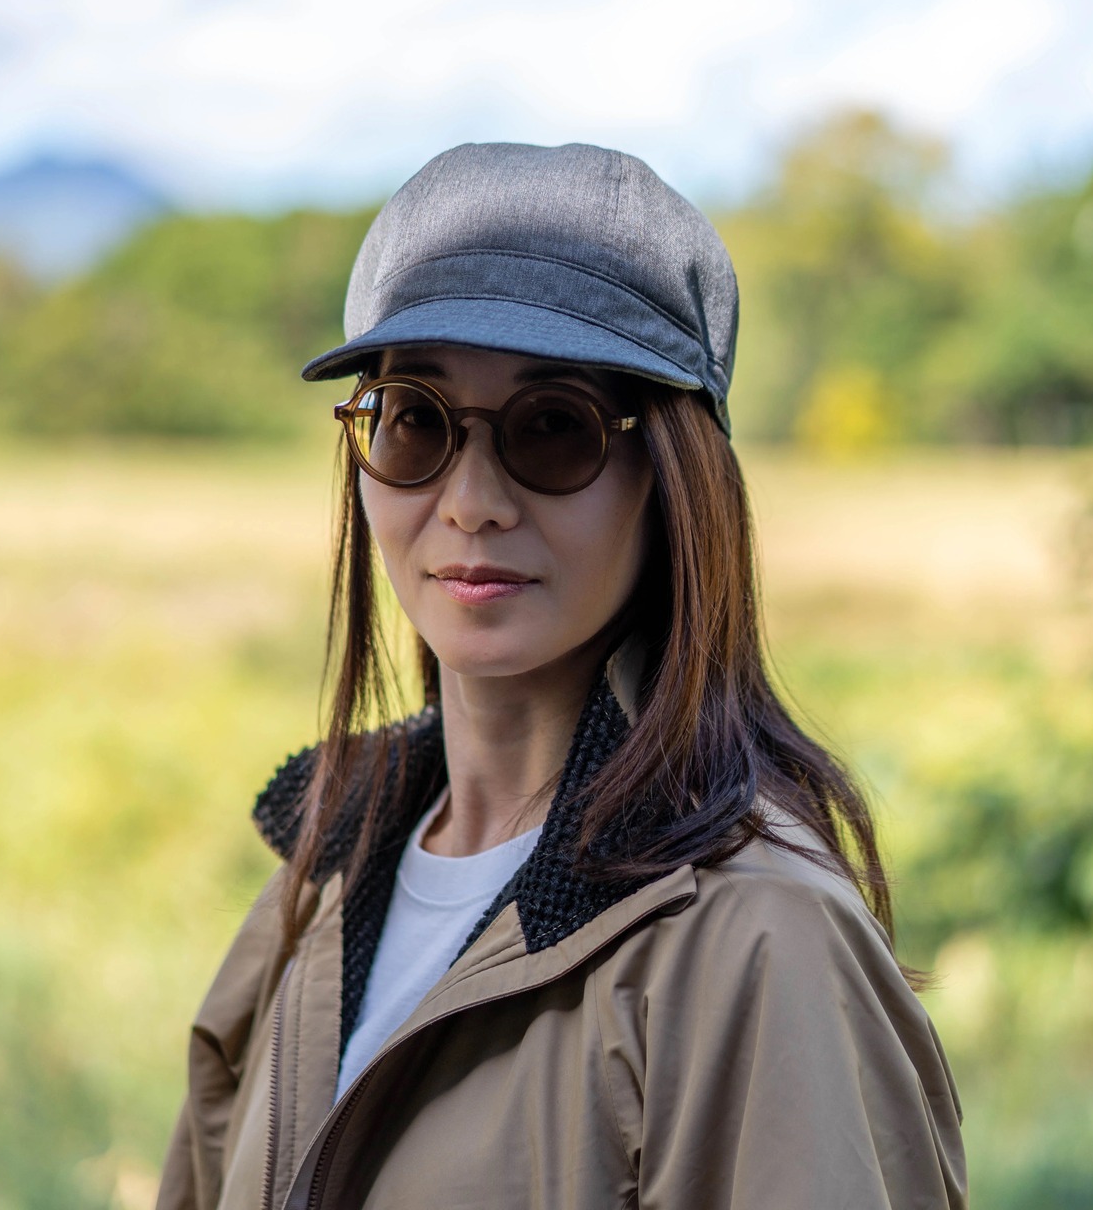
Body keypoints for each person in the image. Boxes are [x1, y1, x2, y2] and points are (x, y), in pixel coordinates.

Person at [156, 142, 968, 1210]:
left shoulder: (759, 942)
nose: (471, 502)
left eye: (552, 429)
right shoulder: (320, 880)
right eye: (415, 420)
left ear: (671, 477)